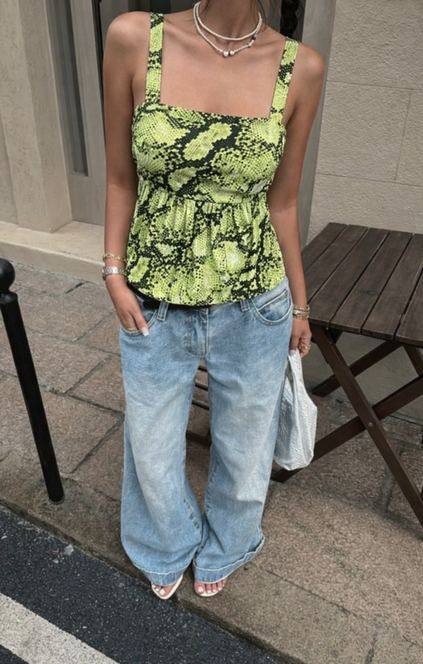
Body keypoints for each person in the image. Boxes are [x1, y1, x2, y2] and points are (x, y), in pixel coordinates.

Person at [102, 0, 324, 600]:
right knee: (150, 442)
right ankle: (166, 541)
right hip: (153, 298)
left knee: (246, 446)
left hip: (255, 304)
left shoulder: (300, 67)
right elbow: (120, 176)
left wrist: (300, 306)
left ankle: (229, 541)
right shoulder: (135, 37)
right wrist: (114, 271)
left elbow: (283, 203)